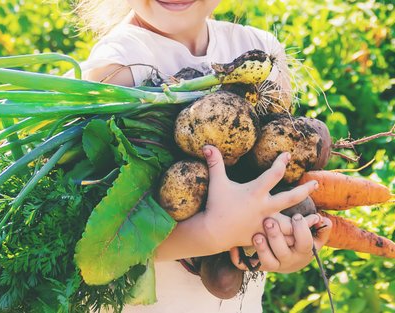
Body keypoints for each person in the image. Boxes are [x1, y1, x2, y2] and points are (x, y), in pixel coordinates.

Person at [74, 1, 333, 312]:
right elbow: (93, 241)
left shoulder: (259, 50)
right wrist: (212, 233)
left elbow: (277, 175)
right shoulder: (115, 70)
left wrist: (288, 247)